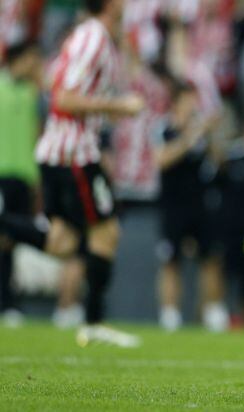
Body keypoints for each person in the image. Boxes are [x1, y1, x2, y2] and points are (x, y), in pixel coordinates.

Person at [0, 0, 144, 347]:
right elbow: (63, 99)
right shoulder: (92, 37)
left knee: (61, 243)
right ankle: (93, 321)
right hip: (73, 153)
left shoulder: (95, 37)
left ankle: (2, 223)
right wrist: (119, 105)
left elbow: (57, 84)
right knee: (106, 232)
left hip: (65, 151)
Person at [154, 82, 228, 333]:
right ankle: (170, 313)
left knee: (210, 258)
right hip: (173, 205)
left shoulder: (201, 133)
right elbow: (161, 160)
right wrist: (189, 137)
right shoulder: (163, 128)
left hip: (201, 204)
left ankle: (212, 310)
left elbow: (219, 162)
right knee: (171, 260)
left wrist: (211, 136)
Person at [0, 42, 40, 327]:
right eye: (30, 59)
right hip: (1, 176)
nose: (33, 64)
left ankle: (9, 302)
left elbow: (35, 137)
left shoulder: (31, 93)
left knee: (12, 242)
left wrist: (37, 180)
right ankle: (6, 302)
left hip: (24, 177)